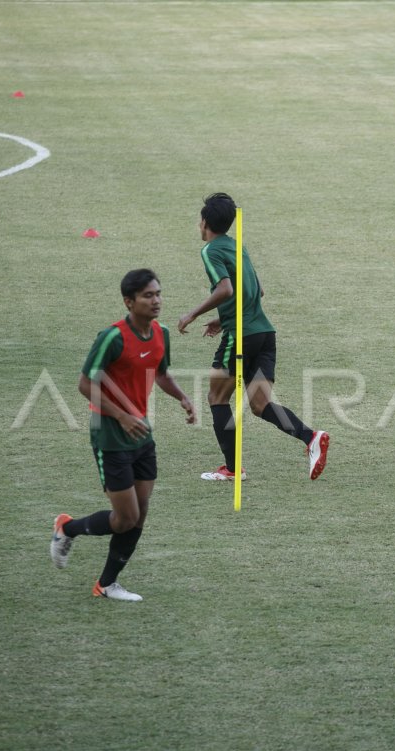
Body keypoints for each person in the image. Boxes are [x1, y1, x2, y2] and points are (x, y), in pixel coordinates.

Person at [50, 269, 197, 602]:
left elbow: (160, 373)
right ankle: (66, 528)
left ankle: (106, 584)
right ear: (129, 302)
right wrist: (121, 415)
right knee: (125, 518)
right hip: (110, 435)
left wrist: (182, 397)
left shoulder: (161, 333)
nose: (156, 300)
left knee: (140, 513)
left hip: (141, 433)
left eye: (158, 293)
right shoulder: (112, 337)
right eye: (148, 295)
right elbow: (85, 384)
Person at [177, 193, 329, 482]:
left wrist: (192, 314)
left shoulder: (211, 251)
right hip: (264, 334)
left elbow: (225, 290)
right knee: (260, 405)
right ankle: (311, 437)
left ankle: (233, 470)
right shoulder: (238, 247)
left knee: (217, 398)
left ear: (205, 222)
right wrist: (222, 319)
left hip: (241, 337)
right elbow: (257, 292)